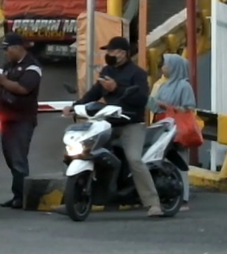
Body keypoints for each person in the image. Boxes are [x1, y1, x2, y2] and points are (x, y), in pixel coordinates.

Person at [63, 36, 164, 217]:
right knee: (83, 149)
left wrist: (116, 88)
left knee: (134, 159)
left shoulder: (137, 73)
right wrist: (75, 106)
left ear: (123, 53)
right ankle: (78, 197)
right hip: (107, 123)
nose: (108, 54)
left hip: (131, 123)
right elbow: (95, 92)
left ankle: (153, 203)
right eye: (107, 51)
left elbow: (142, 99)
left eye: (111, 51)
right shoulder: (107, 70)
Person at [0, 32, 42, 209]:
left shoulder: (32, 67)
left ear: (17, 48)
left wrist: (4, 82)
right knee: (11, 158)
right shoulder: (9, 65)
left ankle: (22, 197)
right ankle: (17, 195)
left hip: (22, 119)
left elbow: (23, 88)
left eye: (7, 49)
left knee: (19, 159)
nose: (5, 53)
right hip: (7, 118)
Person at [147, 53, 196, 211]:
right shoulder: (163, 85)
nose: (163, 68)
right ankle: (168, 196)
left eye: (166, 65)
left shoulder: (184, 86)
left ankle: (184, 198)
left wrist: (167, 106)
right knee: (163, 163)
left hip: (177, 128)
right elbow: (154, 106)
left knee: (179, 162)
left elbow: (188, 108)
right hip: (162, 127)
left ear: (174, 67)